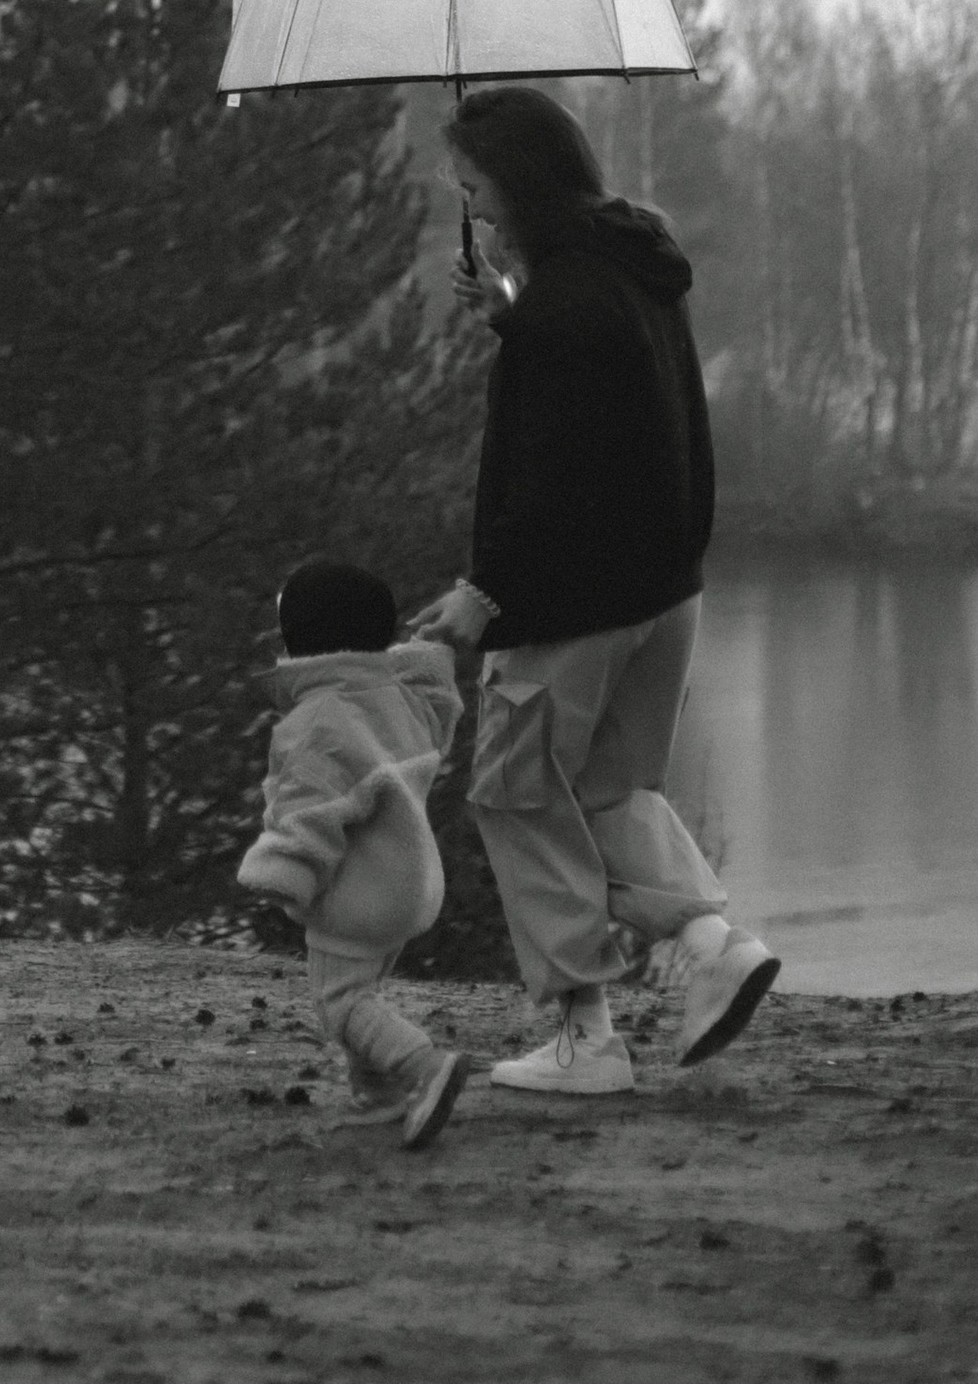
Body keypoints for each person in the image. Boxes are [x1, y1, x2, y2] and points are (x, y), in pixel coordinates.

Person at [410, 83, 778, 1098]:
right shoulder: (626, 275)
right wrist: (512, 320)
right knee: (610, 791)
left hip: (573, 606)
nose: (470, 205)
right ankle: (712, 943)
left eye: (476, 184)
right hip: (665, 594)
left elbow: (552, 475)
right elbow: (618, 413)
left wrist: (485, 594)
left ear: (520, 185)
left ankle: (584, 1035)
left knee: (515, 794)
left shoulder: (566, 310)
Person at [236, 556, 469, 1150]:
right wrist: (429, 654)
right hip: (413, 885)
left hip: (358, 894)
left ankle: (423, 1069)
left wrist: (283, 870)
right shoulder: (398, 699)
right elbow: (439, 707)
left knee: (339, 1003)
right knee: (365, 994)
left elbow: (307, 806)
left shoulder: (318, 720)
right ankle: (379, 1095)